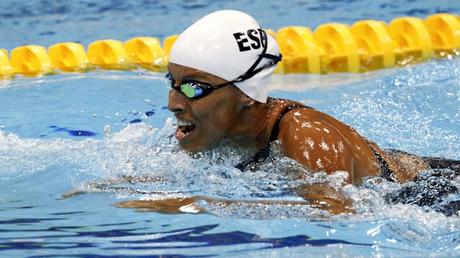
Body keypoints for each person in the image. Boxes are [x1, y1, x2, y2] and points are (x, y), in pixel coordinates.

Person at [118, 10, 460, 215]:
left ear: (245, 94)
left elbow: (339, 214)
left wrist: (198, 203)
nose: (174, 102)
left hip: (430, 193)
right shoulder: (211, 128)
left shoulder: (307, 137)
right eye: (173, 82)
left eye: (194, 87)